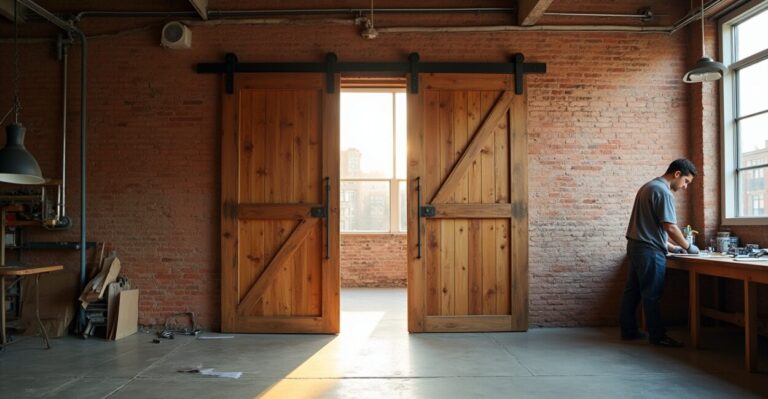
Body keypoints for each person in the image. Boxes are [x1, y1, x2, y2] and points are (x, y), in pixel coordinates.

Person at [619, 159, 699, 347]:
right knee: (652, 294)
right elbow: (669, 227)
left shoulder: (647, 187)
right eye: (686, 181)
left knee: (633, 292)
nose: (685, 187)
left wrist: (673, 248)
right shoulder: (663, 192)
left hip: (636, 246)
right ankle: (658, 336)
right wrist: (689, 247)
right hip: (649, 251)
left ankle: (628, 330)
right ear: (677, 174)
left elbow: (650, 227)